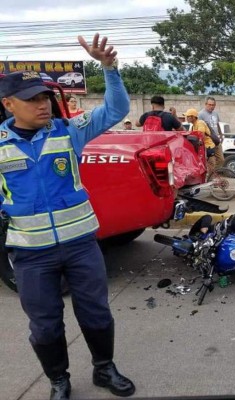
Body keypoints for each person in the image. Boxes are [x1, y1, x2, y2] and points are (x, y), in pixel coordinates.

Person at [0, 34, 135, 399]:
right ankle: (59, 379)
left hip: (80, 246)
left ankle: (104, 369)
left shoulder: (67, 131)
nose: (43, 105)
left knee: (97, 315)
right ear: (9, 103)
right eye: (32, 99)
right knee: (44, 327)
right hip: (31, 254)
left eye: (44, 96)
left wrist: (110, 69)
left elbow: (115, 110)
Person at [184, 108, 217, 173]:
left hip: (208, 147)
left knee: (210, 168)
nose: (186, 118)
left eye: (188, 116)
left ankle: (213, 181)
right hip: (202, 148)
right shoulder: (193, 125)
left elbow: (200, 136)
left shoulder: (200, 123)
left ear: (193, 117)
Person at [198, 96, 224, 168]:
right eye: (210, 105)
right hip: (207, 141)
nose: (211, 106)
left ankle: (214, 174)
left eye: (213, 105)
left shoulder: (215, 114)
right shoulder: (201, 114)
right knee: (211, 161)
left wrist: (221, 135)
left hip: (216, 140)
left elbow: (217, 124)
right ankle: (210, 177)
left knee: (221, 159)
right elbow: (198, 127)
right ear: (206, 104)